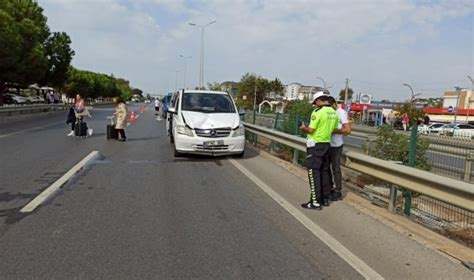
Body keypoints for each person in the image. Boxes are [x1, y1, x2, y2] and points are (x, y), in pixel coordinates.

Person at [299, 92, 339, 210]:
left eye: (315, 102)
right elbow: (334, 130)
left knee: (313, 173)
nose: (315, 105)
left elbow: (311, 130)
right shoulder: (334, 112)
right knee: (324, 172)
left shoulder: (318, 112)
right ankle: (325, 199)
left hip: (315, 145)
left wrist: (303, 128)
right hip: (327, 144)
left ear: (318, 100)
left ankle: (315, 202)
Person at [328, 97, 351, 201]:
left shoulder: (341, 112)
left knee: (336, 168)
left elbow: (347, 131)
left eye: (328, 106)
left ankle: (338, 191)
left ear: (333, 104)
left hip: (336, 145)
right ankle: (329, 188)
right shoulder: (328, 112)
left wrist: (334, 131)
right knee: (325, 168)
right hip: (326, 144)